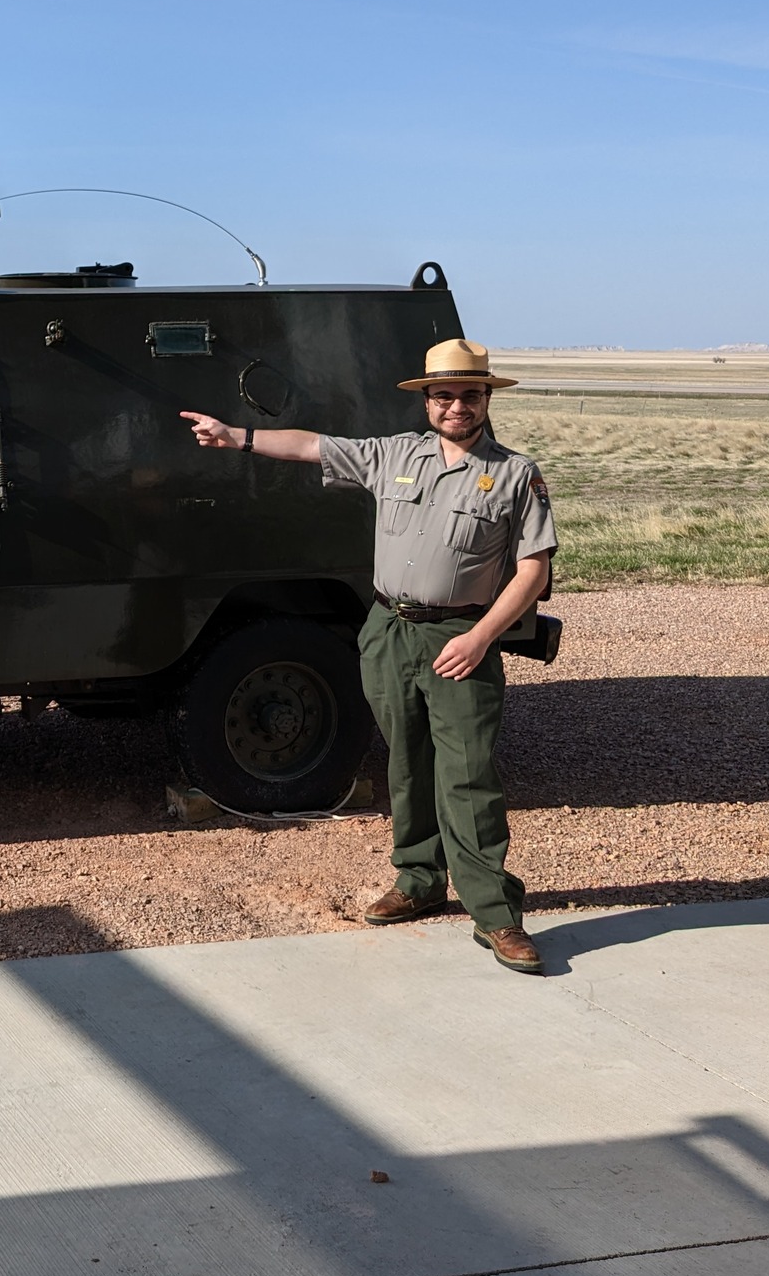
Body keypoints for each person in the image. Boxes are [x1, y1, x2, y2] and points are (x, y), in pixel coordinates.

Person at [180, 338, 557, 974]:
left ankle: (494, 913)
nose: (456, 405)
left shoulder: (515, 473)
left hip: (458, 637)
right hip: (388, 629)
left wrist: (482, 636)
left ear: (487, 398)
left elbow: (532, 570)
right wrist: (235, 436)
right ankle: (418, 881)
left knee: (467, 772)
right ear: (427, 401)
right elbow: (311, 446)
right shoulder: (394, 455)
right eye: (444, 394)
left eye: (469, 394)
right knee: (407, 764)